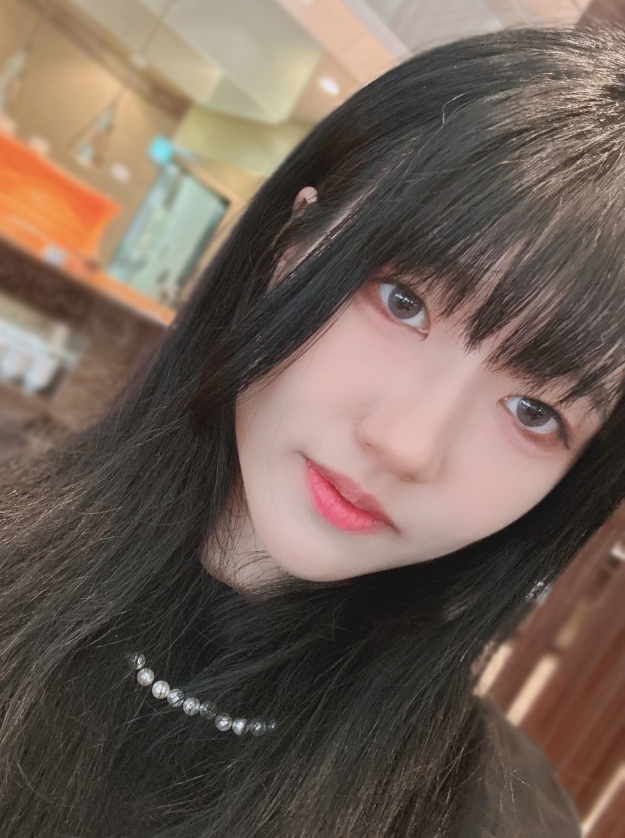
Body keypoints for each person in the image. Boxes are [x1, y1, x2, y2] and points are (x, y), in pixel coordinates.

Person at [0, 22, 623, 838]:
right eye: (402, 301)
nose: (405, 444)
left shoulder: (498, 819)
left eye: (534, 413)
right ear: (289, 245)